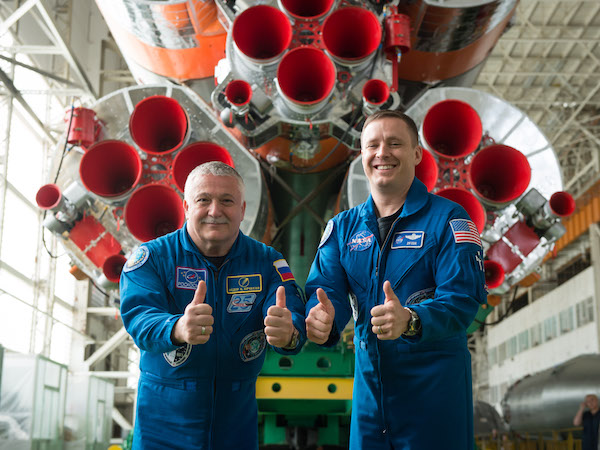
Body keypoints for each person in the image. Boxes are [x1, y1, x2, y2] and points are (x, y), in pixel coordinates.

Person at [304, 110, 488, 449]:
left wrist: (413, 320)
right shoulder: (342, 229)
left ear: (417, 154)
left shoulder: (450, 219)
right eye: (372, 145)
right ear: (362, 155)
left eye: (395, 144)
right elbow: (324, 291)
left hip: (433, 402)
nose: (382, 153)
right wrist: (322, 319)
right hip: (370, 402)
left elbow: (462, 300)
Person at [120, 161, 306, 450]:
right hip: (163, 422)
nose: (215, 211)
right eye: (203, 200)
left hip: (236, 423)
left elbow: (290, 311)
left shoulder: (268, 263)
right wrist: (176, 327)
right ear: (185, 206)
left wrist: (289, 332)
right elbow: (138, 317)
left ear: (242, 210)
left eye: (227, 201)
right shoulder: (152, 258)